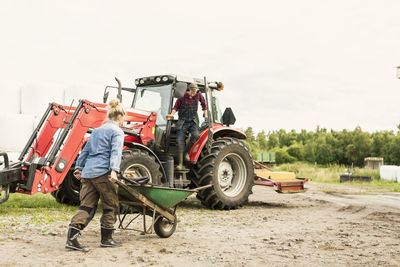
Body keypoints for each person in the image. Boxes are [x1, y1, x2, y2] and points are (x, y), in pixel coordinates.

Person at [66, 99, 126, 252]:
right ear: (120, 117)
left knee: (87, 206)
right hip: (104, 174)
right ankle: (107, 239)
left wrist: (79, 168)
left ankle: (72, 238)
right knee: (110, 205)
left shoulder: (97, 130)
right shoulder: (117, 132)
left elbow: (85, 151)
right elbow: (116, 152)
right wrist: (114, 170)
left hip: (88, 173)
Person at [166, 83, 207, 170]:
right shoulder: (182, 96)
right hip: (183, 121)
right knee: (179, 141)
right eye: (192, 91)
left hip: (193, 120)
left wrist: (205, 115)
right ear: (189, 90)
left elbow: (204, 104)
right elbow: (175, 107)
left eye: (195, 92)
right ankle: (180, 164)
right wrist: (171, 114)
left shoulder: (198, 94)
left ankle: (186, 153)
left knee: (196, 135)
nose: (193, 93)